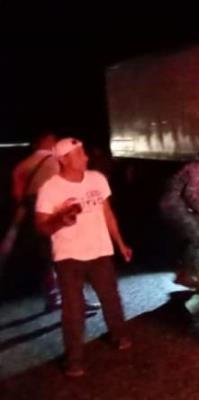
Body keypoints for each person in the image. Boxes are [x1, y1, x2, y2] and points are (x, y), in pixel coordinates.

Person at [35, 138, 133, 377]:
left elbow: (107, 213)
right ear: (64, 159)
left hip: (100, 250)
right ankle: (74, 360)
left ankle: (119, 335)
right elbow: (41, 226)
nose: (86, 157)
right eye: (79, 154)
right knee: (73, 309)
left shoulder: (97, 179)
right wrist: (60, 220)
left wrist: (120, 244)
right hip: (69, 256)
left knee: (110, 297)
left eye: (84, 153)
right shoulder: (50, 188)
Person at [9, 130, 62, 310]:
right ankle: (75, 297)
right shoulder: (58, 160)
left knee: (45, 256)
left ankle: (52, 297)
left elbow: (17, 195)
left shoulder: (21, 166)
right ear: (48, 141)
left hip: (35, 213)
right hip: (59, 211)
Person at [159, 149, 199, 289]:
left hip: (174, 205)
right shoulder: (198, 170)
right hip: (174, 206)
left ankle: (185, 274)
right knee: (197, 237)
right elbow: (192, 196)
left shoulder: (196, 169)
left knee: (190, 239)